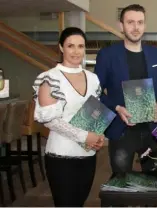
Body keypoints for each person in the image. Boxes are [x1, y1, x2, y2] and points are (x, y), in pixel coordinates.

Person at [33, 27, 105, 207]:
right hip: (61, 156)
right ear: (61, 47)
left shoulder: (93, 78)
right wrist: (84, 136)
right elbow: (50, 121)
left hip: (88, 154)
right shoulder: (50, 78)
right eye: (70, 46)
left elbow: (94, 113)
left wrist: (98, 136)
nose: (76, 51)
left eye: (80, 46)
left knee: (79, 203)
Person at [94, 4, 157, 176]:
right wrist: (117, 108)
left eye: (140, 22)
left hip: (154, 130)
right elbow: (96, 92)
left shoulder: (156, 54)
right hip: (121, 130)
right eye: (130, 22)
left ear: (145, 25)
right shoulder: (107, 55)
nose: (136, 27)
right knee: (121, 180)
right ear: (121, 26)